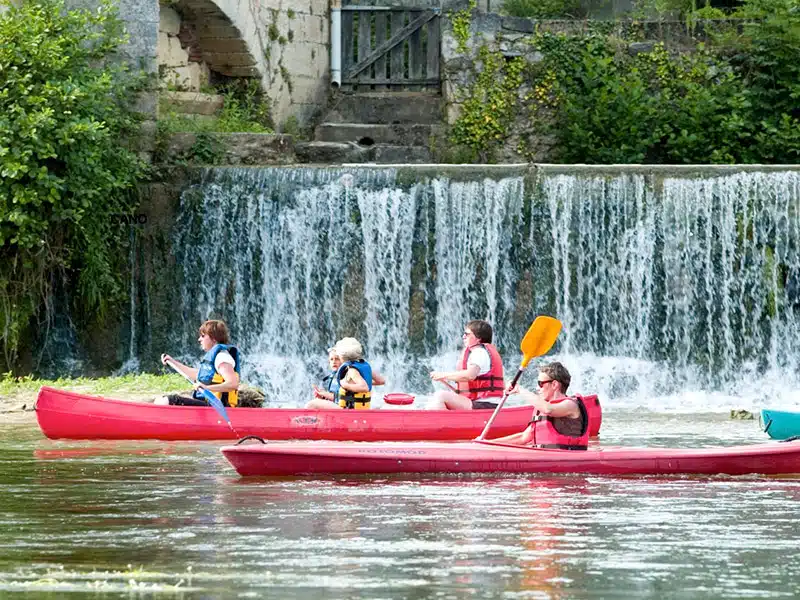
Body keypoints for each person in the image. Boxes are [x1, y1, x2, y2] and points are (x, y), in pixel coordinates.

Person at [493, 362, 589, 449]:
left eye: (540, 384)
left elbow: (549, 409)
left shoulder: (570, 405)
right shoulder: (543, 408)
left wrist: (519, 389)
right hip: (547, 457)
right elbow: (523, 438)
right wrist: (488, 443)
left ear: (554, 385)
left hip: (567, 459)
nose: (537, 388)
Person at [156, 319, 241, 407]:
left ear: (214, 339)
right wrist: (173, 362)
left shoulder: (222, 357)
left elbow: (232, 384)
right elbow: (196, 374)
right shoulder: (215, 357)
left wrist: (207, 388)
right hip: (207, 405)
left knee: (169, 400)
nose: (199, 339)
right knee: (160, 399)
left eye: (203, 336)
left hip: (216, 408)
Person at [427, 319, 505, 410]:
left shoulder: (479, 352)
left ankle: (444, 423)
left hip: (486, 404)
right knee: (436, 400)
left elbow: (470, 375)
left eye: (467, 334)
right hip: (483, 403)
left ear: (478, 338)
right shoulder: (481, 352)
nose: (463, 336)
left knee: (440, 396)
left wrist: (443, 375)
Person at [306, 338, 384, 410]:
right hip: (354, 406)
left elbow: (364, 387)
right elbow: (381, 381)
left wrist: (346, 385)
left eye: (338, 357)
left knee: (311, 404)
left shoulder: (351, 370)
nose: (334, 361)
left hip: (348, 410)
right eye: (331, 359)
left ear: (342, 356)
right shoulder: (363, 366)